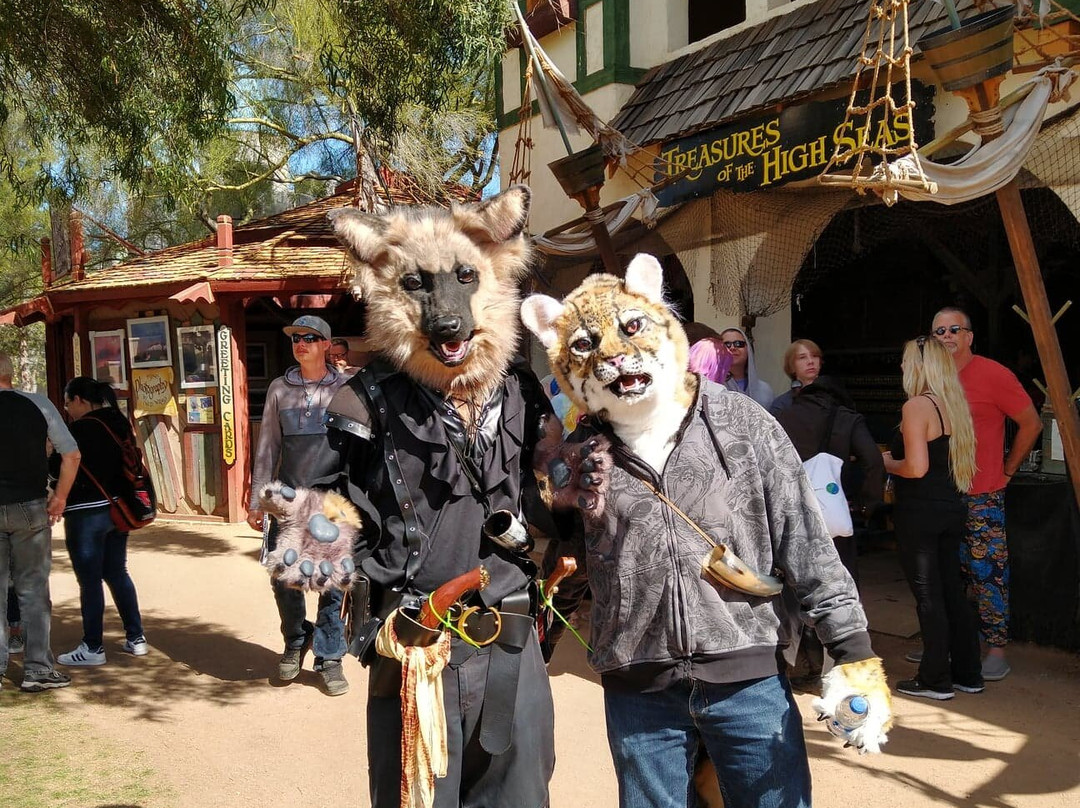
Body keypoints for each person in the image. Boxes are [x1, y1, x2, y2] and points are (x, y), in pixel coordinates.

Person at [522, 255, 893, 808]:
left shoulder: (742, 422)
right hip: (639, 692)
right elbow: (571, 557)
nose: (615, 355)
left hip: (747, 679)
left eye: (630, 330)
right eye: (586, 346)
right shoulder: (581, 455)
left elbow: (806, 542)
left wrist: (854, 652)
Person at [931, 307, 1041, 682]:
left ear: (969, 336)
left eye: (953, 329)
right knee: (945, 573)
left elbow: (1031, 422)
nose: (946, 336)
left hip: (982, 493)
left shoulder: (994, 374)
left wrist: (1008, 469)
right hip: (940, 494)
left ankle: (996, 648)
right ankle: (945, 644)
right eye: (939, 331)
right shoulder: (931, 377)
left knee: (987, 573)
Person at [247, 315, 350, 696]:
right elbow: (268, 446)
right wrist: (259, 497)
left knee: (332, 581)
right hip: (288, 499)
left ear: (326, 344)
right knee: (283, 577)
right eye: (295, 338)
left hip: (332, 499)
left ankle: (329, 656)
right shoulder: (279, 388)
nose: (301, 343)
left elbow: (358, 449)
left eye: (310, 338)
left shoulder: (345, 387)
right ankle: (295, 639)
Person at [884, 337, 983, 700]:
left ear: (921, 366)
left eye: (906, 360)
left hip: (920, 512)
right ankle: (968, 673)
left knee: (929, 596)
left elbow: (916, 466)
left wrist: (884, 463)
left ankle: (935, 679)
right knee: (952, 592)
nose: (901, 367)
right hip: (952, 507)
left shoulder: (916, 406)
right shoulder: (954, 404)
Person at [774, 374, 884, 687]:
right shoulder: (847, 418)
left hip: (791, 516)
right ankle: (835, 668)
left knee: (790, 593)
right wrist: (867, 505)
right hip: (834, 518)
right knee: (837, 587)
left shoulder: (783, 416)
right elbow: (874, 461)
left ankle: (788, 666)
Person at [0, 351, 80, 692]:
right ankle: (37, 669)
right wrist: (60, 496)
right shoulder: (38, 404)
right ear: (10, 371)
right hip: (30, 506)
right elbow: (71, 453)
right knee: (33, 590)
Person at [55, 377, 148, 667]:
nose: (67, 408)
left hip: (85, 512)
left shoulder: (80, 429)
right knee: (117, 572)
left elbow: (62, 464)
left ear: (80, 400)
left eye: (69, 402)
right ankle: (136, 637)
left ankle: (93, 646)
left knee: (89, 580)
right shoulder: (118, 421)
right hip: (117, 509)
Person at [718, 326, 774, 407]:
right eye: (726, 345)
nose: (733, 348)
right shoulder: (713, 387)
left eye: (738, 344)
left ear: (748, 349)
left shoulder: (765, 390)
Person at [770, 339, 823, 417]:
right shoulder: (782, 405)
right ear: (792, 366)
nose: (810, 361)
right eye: (802, 357)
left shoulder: (834, 397)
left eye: (814, 356)